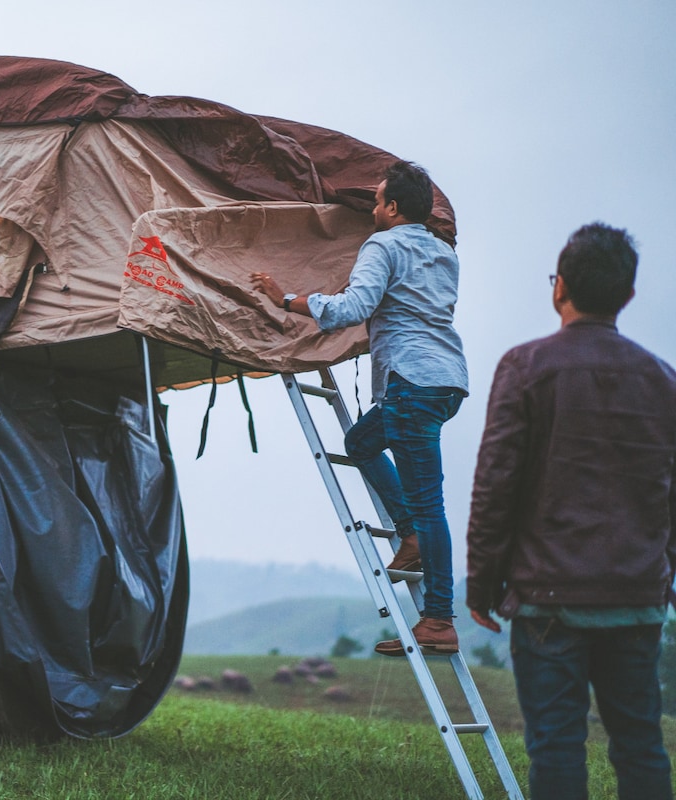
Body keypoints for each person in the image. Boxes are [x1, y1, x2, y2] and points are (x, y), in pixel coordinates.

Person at [467, 223, 675, 799]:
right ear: (627, 296)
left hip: (548, 603)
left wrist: (482, 585)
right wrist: (661, 574)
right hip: (637, 600)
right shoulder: (665, 381)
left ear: (559, 288)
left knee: (556, 749)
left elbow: (495, 486)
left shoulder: (525, 367)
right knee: (640, 747)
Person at [251, 160, 468, 656]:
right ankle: (409, 535)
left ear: (393, 209)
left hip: (411, 384)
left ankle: (438, 619)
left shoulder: (384, 244)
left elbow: (353, 308)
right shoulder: (442, 253)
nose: (372, 208)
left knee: (430, 502)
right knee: (360, 443)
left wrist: (285, 299)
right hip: (446, 382)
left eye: (377, 201)